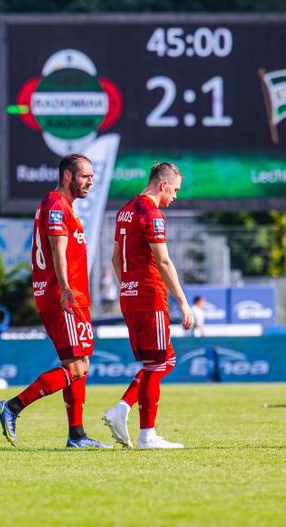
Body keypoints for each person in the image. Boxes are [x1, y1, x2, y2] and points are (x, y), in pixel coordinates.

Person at [0, 153, 109, 449]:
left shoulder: (59, 205)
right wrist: (67, 288)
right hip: (63, 298)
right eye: (85, 176)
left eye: (92, 176)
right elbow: (58, 250)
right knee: (76, 368)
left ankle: (77, 435)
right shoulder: (57, 205)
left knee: (79, 364)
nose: (90, 182)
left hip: (70, 297)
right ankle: (13, 407)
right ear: (68, 176)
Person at [100, 162, 195, 450]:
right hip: (150, 296)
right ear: (163, 184)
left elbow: (115, 258)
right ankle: (147, 435)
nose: (175, 197)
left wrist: (128, 287)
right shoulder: (151, 213)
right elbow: (163, 261)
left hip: (129, 296)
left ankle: (122, 409)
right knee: (157, 364)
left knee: (166, 360)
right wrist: (183, 301)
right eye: (174, 190)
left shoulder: (125, 210)